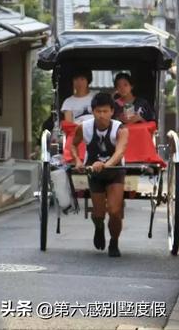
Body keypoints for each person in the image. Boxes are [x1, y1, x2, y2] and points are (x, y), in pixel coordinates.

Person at [70, 92, 129, 257]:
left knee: (115, 211)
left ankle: (114, 242)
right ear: (92, 111)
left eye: (105, 111)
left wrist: (106, 165)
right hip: (93, 172)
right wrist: (78, 161)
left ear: (112, 111)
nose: (101, 115)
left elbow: (120, 152)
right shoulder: (84, 127)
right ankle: (99, 227)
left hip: (115, 171)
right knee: (98, 213)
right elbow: (73, 145)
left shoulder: (120, 129)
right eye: (98, 111)